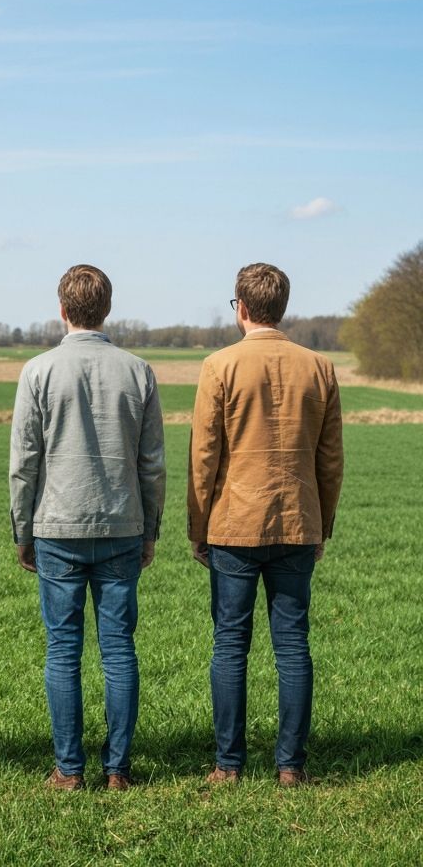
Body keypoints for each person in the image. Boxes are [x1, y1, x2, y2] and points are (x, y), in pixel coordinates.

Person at [10, 264, 165, 792]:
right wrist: (151, 529)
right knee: (119, 649)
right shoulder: (139, 370)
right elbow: (152, 463)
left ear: (62, 309)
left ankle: (69, 769)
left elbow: (23, 463)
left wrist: (21, 530)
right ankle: (117, 771)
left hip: (57, 524)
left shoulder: (38, 371)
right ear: (107, 308)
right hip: (122, 523)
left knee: (63, 649)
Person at [188, 263, 343, 787]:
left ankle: (228, 764)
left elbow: (203, 455)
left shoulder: (219, 365)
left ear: (242, 307)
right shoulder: (319, 367)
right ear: (282, 307)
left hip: (233, 523)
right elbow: (330, 459)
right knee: (293, 645)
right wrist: (323, 522)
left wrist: (196, 525)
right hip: (298, 521)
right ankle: (290, 767)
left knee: (230, 643)